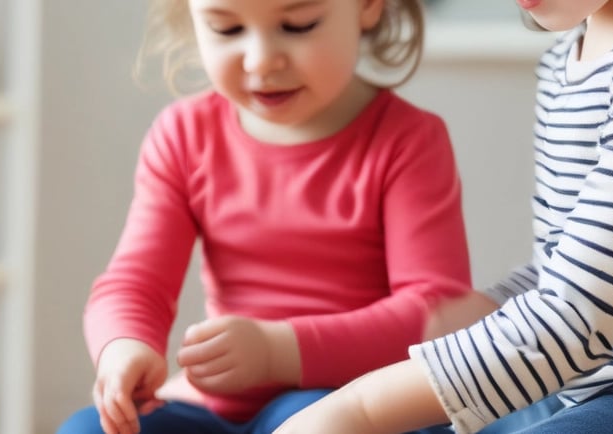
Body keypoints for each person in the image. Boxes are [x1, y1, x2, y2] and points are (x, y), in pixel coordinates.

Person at [274, 0, 613, 433]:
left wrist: (357, 410)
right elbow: (566, 271)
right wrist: (472, 311)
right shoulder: (566, 55)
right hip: (580, 383)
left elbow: (573, 319)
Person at [56, 0, 475, 433]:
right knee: (84, 430)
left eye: (298, 25)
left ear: (368, 6)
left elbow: (437, 316)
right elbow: (134, 282)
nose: (261, 60)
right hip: (212, 410)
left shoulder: (408, 141)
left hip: (345, 405)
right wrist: (123, 349)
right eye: (227, 29)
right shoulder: (183, 135)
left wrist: (277, 352)